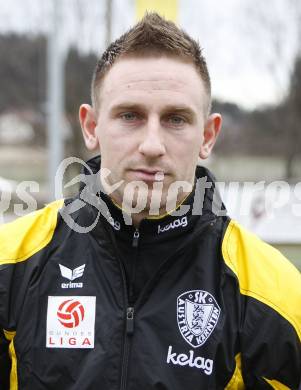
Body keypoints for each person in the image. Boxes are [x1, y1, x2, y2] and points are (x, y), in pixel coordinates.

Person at [0, 13, 300, 390]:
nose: (152, 146)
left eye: (176, 119)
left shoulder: (276, 294)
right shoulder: (10, 265)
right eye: (130, 115)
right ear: (91, 127)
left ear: (208, 135)